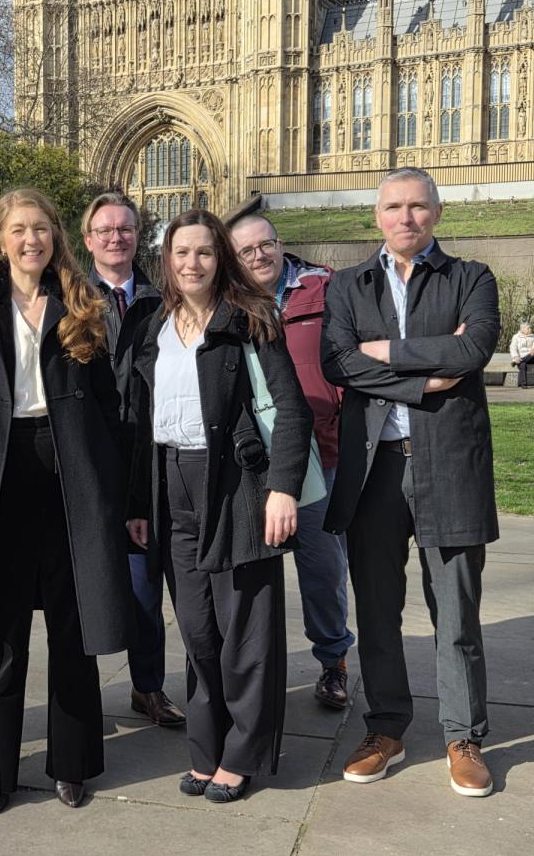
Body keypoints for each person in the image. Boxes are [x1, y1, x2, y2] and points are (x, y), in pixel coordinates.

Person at [0, 188, 131, 814]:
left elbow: (110, 402)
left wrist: (110, 482)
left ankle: (73, 762)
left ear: (56, 236)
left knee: (73, 621)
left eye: (43, 229)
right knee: (1, 628)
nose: (32, 240)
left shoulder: (82, 301)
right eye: (19, 229)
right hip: (1, 472)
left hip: (70, 469)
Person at [321, 167, 500, 798]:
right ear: (377, 216)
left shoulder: (470, 278)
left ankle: (463, 736)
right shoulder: (347, 285)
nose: (406, 218)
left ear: (437, 213)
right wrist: (425, 375)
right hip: (375, 468)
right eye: (394, 207)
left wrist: (384, 353)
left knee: (455, 612)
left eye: (418, 207)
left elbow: (473, 350)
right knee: (376, 610)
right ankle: (387, 729)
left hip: (447, 461)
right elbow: (336, 361)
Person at [127, 209, 313, 804]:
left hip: (238, 484)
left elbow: (292, 408)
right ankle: (207, 750)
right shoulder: (154, 323)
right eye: (181, 253)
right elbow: (137, 421)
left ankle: (243, 755)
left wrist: (283, 488)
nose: (192, 264)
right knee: (199, 631)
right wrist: (138, 501)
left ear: (220, 258)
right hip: (170, 482)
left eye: (204, 252)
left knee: (246, 632)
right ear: (167, 260)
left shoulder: (250, 318)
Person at [226, 206, 355, 710]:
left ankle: (332, 661)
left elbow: (352, 357)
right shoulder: (226, 302)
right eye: (246, 250)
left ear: (280, 245)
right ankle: (258, 673)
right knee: (252, 572)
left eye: (266, 245)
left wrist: (337, 414)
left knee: (321, 564)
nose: (259, 255)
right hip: (250, 459)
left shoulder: (326, 290)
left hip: (317, 451)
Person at [83, 191, 185, 728]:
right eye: (105, 230)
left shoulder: (164, 299)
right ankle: (76, 701)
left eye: (125, 229)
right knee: (89, 587)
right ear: (88, 239)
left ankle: (148, 687)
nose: (115, 238)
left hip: (154, 454)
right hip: (96, 460)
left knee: (152, 583)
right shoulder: (71, 301)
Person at [509, 321, 534, 389]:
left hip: (531, 357)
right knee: (523, 364)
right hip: (520, 358)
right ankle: (523, 385)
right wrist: (516, 356)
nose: (530, 330)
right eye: (528, 328)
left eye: (530, 328)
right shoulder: (516, 337)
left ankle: (517, 362)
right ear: (522, 329)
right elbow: (513, 348)